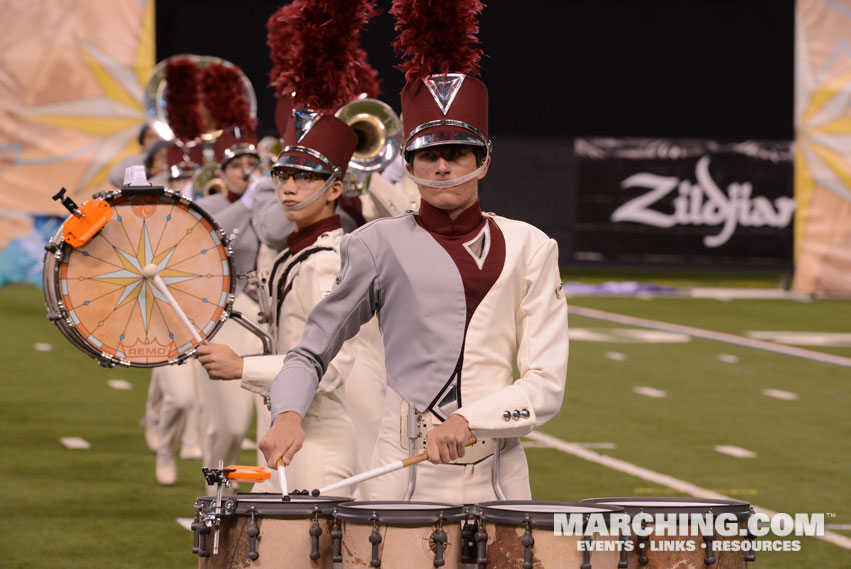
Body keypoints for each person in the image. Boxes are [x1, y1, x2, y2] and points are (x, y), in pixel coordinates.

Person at [259, 70, 569, 504]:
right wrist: (288, 413)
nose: (442, 167)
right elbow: (311, 351)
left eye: (457, 153)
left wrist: (470, 420)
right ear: (408, 163)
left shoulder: (531, 246)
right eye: (428, 154)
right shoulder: (375, 243)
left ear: (485, 160)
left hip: (501, 475)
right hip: (401, 474)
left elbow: (546, 383)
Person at [197, 107, 384, 495]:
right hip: (286, 432)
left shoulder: (328, 262)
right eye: (283, 175)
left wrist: (242, 368)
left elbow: (333, 368)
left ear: (335, 189)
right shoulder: (293, 253)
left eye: (305, 177)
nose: (288, 187)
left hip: (320, 442)